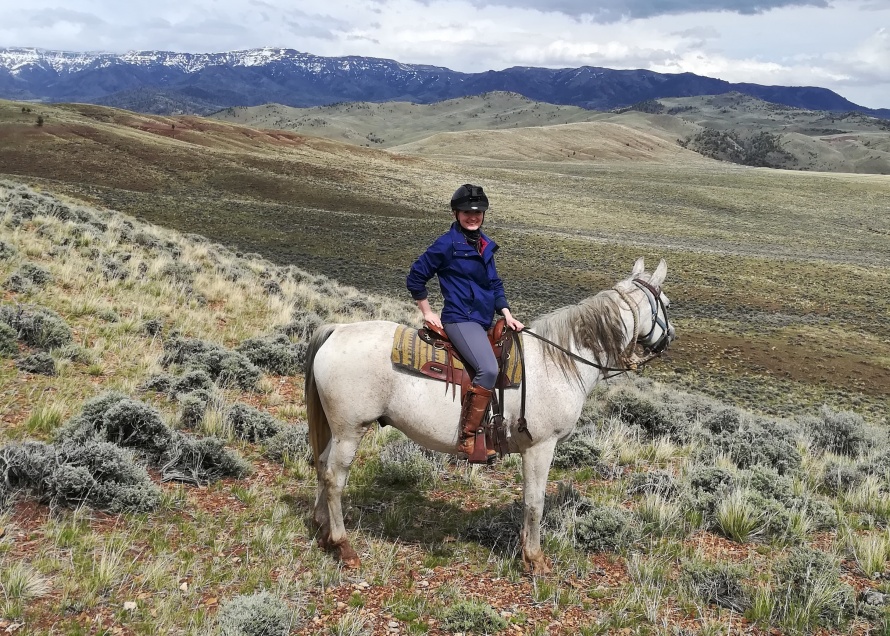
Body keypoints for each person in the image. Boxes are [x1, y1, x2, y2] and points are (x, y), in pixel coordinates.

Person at [406, 184, 524, 462]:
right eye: (467, 212)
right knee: (488, 368)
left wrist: (506, 313)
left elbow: (495, 284)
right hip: (460, 319)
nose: (473, 216)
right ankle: (468, 439)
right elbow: (416, 276)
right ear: (456, 213)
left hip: (484, 320)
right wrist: (427, 311)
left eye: (478, 212)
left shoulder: (485, 244)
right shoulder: (446, 244)